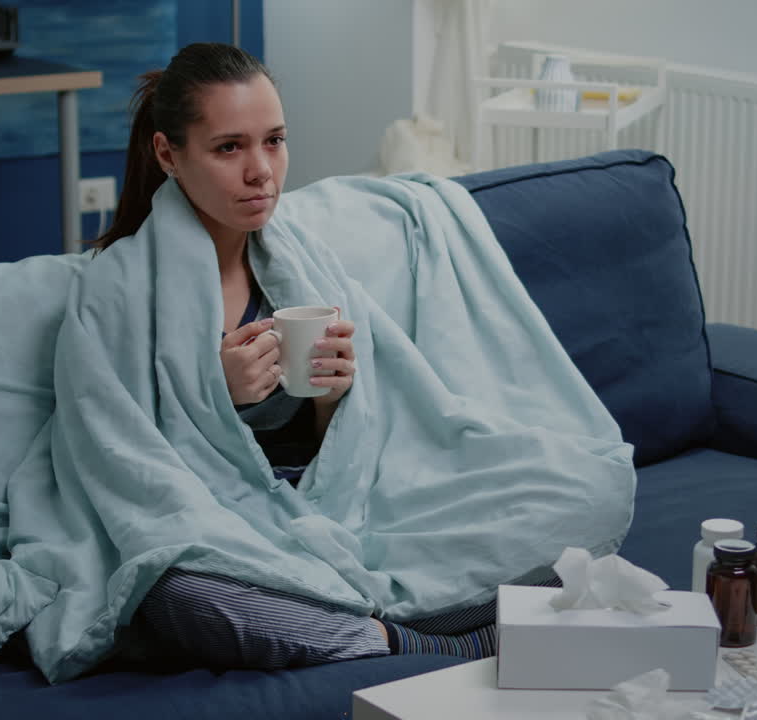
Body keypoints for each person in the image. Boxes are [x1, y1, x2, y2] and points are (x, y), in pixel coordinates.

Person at [94, 43, 536, 671]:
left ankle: (341, 617)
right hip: (213, 529)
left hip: (321, 508)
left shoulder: (301, 259)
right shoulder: (117, 286)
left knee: (542, 513)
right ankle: (419, 641)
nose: (261, 172)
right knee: (176, 592)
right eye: (229, 148)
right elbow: (117, 455)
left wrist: (333, 399)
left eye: (273, 141)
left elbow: (364, 444)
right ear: (169, 154)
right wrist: (212, 395)